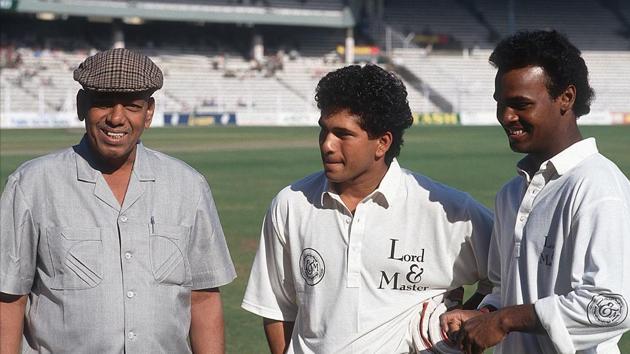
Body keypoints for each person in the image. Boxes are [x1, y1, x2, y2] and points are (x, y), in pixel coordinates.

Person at [241, 64, 494, 353]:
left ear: (382, 143)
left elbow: (509, 274)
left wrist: (475, 315)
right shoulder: (290, 204)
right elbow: (276, 307)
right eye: (323, 131)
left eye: (343, 134)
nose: (327, 145)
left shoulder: (448, 210)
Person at [0, 48, 236, 353]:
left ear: (148, 113)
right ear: (81, 106)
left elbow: (203, 297)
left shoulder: (188, 186)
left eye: (132, 106)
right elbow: (9, 296)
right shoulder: (32, 184)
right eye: (103, 104)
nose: (116, 118)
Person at [441, 30, 630, 354]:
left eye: (521, 105)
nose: (506, 117)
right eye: (501, 105)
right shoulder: (511, 194)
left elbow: (611, 308)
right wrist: (485, 314)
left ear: (566, 98)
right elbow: (506, 290)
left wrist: (504, 321)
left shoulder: (597, 186)